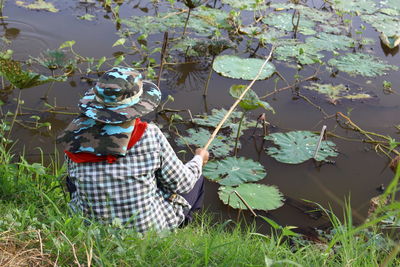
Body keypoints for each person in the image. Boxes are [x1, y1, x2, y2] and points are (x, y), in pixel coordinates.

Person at [57, 67, 209, 233]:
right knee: (196, 177)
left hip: (92, 230)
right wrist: (199, 159)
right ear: (138, 105)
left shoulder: (75, 135)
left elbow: (73, 180)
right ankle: (183, 226)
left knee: (72, 181)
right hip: (147, 231)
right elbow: (183, 184)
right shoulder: (149, 134)